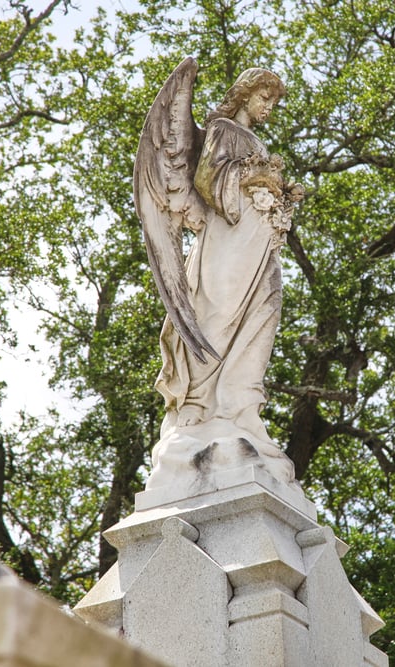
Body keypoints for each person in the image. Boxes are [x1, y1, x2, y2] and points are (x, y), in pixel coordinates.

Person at [141, 64, 303, 491]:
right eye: (264, 98)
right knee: (219, 314)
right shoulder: (222, 129)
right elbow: (208, 179)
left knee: (265, 307)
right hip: (228, 241)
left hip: (257, 243)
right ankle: (198, 404)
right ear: (245, 94)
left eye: (274, 102)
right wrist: (254, 175)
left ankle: (242, 404)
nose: (269, 107)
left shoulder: (254, 140)